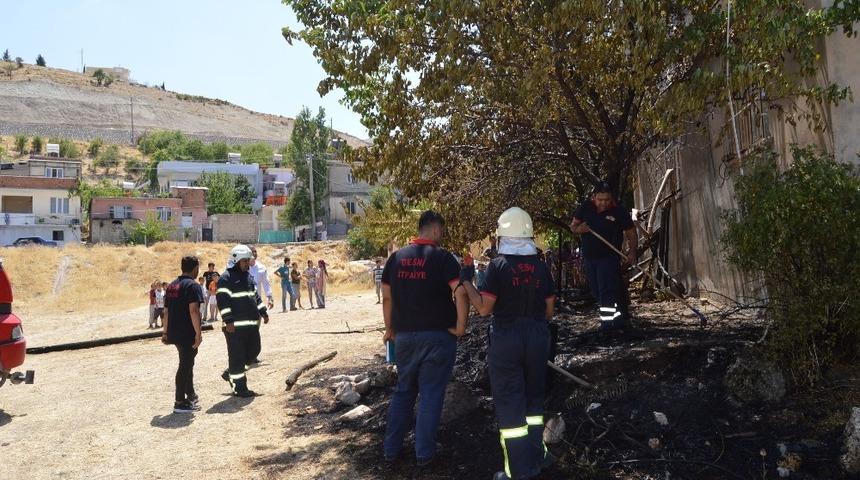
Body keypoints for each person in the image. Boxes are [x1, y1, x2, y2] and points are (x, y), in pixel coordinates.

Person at [460, 207, 556, 480]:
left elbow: (484, 308)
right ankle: (538, 458)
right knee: (534, 400)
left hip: (506, 338)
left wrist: (466, 283)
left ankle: (518, 472)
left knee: (511, 404)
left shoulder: (497, 266)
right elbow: (550, 309)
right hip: (538, 335)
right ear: (528, 235)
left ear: (503, 236)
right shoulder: (541, 266)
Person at [381, 210, 469, 467]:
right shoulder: (443, 258)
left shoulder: (395, 258)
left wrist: (389, 329)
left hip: (405, 337)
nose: (441, 235)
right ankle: (425, 455)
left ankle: (391, 450)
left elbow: (387, 297)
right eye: (440, 230)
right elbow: (461, 294)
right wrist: (461, 326)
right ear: (434, 230)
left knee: (403, 392)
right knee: (431, 394)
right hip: (438, 336)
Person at [570, 182, 637, 331]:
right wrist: (580, 229)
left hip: (609, 258)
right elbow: (573, 226)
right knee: (596, 290)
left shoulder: (618, 211)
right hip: (589, 258)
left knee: (606, 289)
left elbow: (631, 233)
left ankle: (607, 326)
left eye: (606, 200)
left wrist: (632, 252)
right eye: (600, 200)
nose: (603, 203)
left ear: (611, 198)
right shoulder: (586, 207)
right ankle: (619, 318)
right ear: (594, 197)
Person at [216, 245, 269, 397]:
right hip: (235, 328)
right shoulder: (226, 279)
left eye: (248, 261)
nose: (247, 264)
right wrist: (228, 321)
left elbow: (255, 297)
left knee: (254, 351)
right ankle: (240, 388)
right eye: (245, 261)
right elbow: (223, 301)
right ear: (236, 261)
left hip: (251, 326)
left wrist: (263, 312)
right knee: (237, 356)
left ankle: (232, 371)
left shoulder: (248, 277)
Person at [162, 255, 204, 413]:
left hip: (174, 331)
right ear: (195, 268)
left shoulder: (172, 285)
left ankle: (190, 394)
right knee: (185, 364)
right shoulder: (193, 286)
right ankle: (179, 402)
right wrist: (198, 333)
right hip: (187, 332)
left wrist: (165, 332)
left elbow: (165, 312)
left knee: (187, 362)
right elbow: (193, 310)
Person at [248, 246, 274, 364]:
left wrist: (270, 297)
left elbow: (266, 284)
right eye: (251, 253)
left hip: (256, 304)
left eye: (255, 252)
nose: (254, 254)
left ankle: (252, 355)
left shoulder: (261, 268)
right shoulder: (241, 268)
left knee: (255, 329)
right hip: (243, 304)